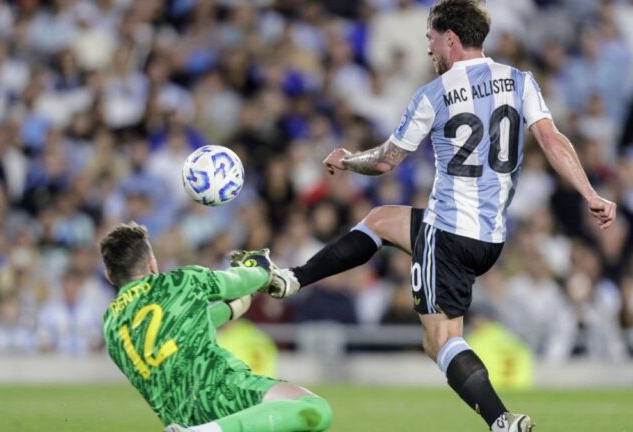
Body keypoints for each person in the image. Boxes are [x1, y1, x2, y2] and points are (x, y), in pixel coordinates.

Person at [248, 1, 617, 431]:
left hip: (447, 232)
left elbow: (386, 161)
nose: (429, 49)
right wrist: (590, 192)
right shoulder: (519, 81)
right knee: (382, 219)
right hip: (491, 237)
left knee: (440, 341)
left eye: (431, 38)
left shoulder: (434, 94)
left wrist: (349, 161)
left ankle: (502, 421)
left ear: (451, 39)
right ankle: (294, 278)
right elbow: (552, 140)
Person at [99, 222, 331, 432]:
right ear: (152, 264)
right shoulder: (179, 282)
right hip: (223, 388)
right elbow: (244, 280)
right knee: (315, 409)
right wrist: (260, 266)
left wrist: (231, 310)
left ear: (110, 276)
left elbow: (181, 331)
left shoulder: (111, 325)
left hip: (180, 416)